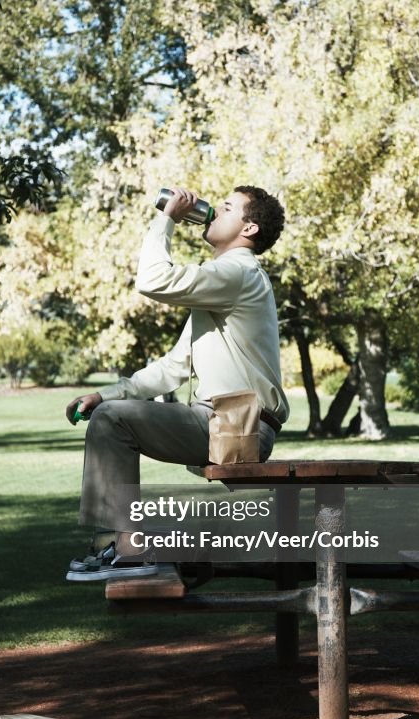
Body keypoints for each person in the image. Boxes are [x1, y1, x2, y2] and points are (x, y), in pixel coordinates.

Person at [65, 185, 289, 581]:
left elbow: (153, 280)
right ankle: (124, 547)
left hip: (240, 427)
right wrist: (106, 393)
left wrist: (167, 217)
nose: (214, 211)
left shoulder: (238, 272)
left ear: (249, 228)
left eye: (226, 208)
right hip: (221, 422)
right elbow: (174, 366)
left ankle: (129, 549)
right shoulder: (225, 283)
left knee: (114, 421)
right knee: (111, 413)